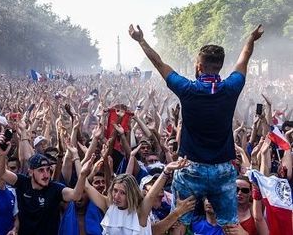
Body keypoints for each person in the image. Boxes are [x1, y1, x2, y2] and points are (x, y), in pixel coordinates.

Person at [129, 23, 264, 230]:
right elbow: (243, 59)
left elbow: (159, 63)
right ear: (220, 66)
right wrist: (250, 39)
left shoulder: (187, 89)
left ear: (198, 67)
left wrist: (141, 40)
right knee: (231, 226)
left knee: (179, 223)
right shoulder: (231, 87)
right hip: (223, 170)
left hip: (190, 168)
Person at [0, 144, 92, 235]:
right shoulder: (22, 182)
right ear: (30, 172)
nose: (46, 175)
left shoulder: (55, 189)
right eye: (41, 170)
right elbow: (0, 173)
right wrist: (2, 155)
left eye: (48, 169)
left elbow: (76, 195)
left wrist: (83, 175)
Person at [85, 159, 187, 235]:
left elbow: (151, 195)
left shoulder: (140, 211)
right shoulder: (108, 205)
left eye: (122, 193)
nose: (116, 196)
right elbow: (86, 186)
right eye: (115, 191)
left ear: (130, 194)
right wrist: (77, 160)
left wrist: (166, 171)